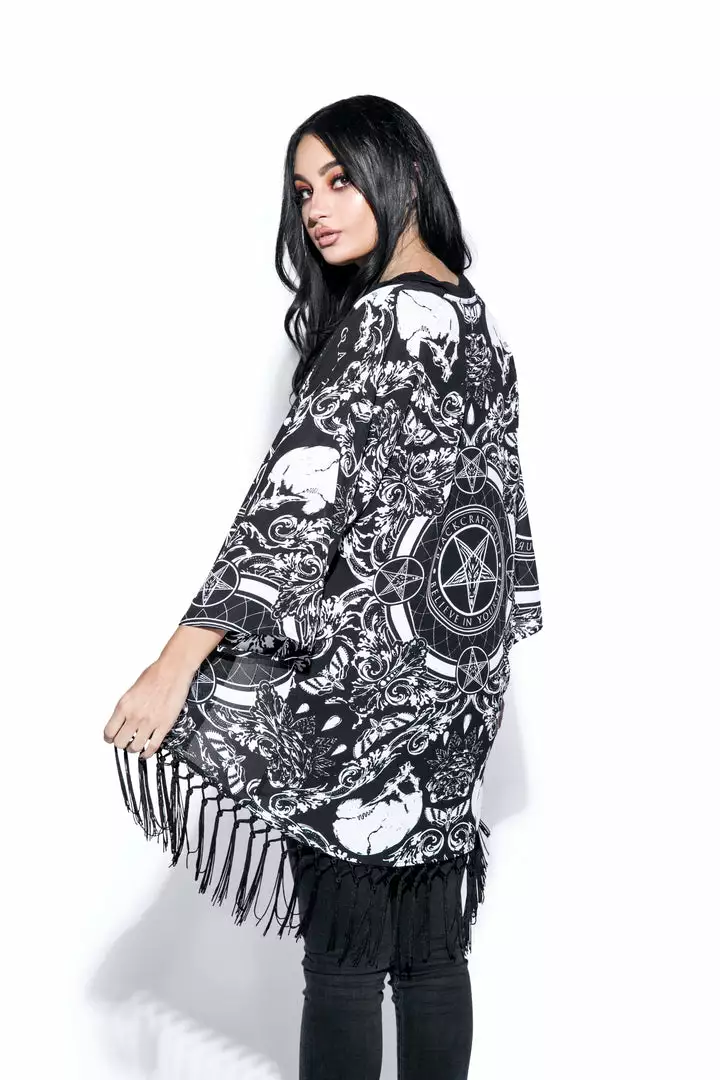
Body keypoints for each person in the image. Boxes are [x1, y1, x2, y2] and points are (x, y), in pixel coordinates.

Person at [103, 94, 543, 1080]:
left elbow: (292, 506)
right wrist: (472, 666)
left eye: (340, 181)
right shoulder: (475, 324)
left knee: (345, 966)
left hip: (365, 687)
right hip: (456, 680)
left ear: (407, 174)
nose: (317, 210)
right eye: (304, 191)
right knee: (431, 957)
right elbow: (498, 524)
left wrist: (175, 666)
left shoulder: (382, 322)